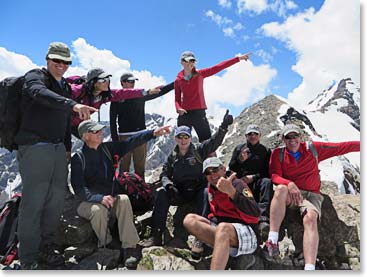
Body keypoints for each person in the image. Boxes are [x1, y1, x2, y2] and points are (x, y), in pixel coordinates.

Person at [14, 42, 97, 270]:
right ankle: (29, 258)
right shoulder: (35, 77)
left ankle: (48, 247)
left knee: (55, 200)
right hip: (35, 147)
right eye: (56, 61)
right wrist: (71, 104)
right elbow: (39, 94)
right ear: (47, 59)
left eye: (65, 62)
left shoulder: (65, 88)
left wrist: (67, 147)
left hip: (58, 149)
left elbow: (63, 122)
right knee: (33, 203)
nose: (61, 66)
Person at [70, 120, 170, 268]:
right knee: (98, 210)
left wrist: (153, 133)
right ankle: (108, 243)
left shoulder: (107, 149)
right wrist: (99, 198)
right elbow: (78, 188)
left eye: (100, 130)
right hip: (87, 202)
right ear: (85, 136)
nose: (101, 133)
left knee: (123, 199)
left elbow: (129, 143)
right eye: (96, 131)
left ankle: (129, 246)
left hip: (109, 198)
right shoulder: (78, 158)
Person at [265, 124, 360, 270]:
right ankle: (272, 239)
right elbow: (275, 175)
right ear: (283, 139)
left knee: (310, 219)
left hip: (311, 195)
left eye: (295, 136)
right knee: (281, 189)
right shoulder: (278, 154)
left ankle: (310, 267)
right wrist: (289, 183)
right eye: (288, 137)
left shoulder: (313, 149)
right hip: (291, 194)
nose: (292, 140)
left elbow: (341, 147)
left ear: (300, 137)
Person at [141, 110, 234, 255]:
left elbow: (213, 142)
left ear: (190, 138)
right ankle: (157, 234)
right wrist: (168, 185)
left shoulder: (199, 150)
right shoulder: (172, 156)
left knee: (206, 193)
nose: (183, 140)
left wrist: (223, 127)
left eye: (186, 137)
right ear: (176, 138)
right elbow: (165, 174)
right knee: (161, 194)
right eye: (180, 137)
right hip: (179, 192)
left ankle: (201, 238)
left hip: (198, 190)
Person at [183, 157, 260, 270]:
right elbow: (216, 213)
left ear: (223, 169)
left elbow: (255, 214)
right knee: (189, 220)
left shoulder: (237, 184)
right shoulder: (210, 189)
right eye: (208, 172)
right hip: (224, 232)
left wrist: (232, 193)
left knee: (223, 228)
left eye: (215, 170)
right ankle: (225, 253)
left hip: (247, 232)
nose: (212, 175)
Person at [174, 51, 250, 142]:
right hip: (184, 114)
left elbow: (219, 67)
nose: (191, 63)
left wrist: (238, 59)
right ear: (182, 62)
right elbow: (177, 99)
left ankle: (210, 157)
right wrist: (178, 108)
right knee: (181, 143)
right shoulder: (178, 80)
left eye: (193, 61)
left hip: (199, 113)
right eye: (189, 60)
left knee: (207, 144)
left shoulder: (200, 74)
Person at [109, 72, 174, 179]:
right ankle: (122, 190)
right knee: (123, 168)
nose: (133, 83)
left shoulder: (140, 95)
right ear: (122, 83)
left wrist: (177, 82)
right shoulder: (116, 99)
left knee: (140, 168)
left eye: (134, 81)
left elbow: (161, 91)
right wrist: (116, 142)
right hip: (124, 137)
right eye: (130, 81)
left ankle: (141, 192)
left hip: (141, 136)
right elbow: (112, 122)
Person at [68, 68, 162, 138]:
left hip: (77, 125)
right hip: (63, 122)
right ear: (93, 82)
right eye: (103, 80)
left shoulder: (105, 95)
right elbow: (59, 97)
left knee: (92, 142)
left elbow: (122, 93)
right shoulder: (77, 91)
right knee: (65, 149)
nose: (107, 82)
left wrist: (146, 91)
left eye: (108, 79)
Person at [228, 124, 272, 240]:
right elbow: (232, 167)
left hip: (257, 181)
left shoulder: (265, 151)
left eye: (255, 134)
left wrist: (253, 177)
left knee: (267, 182)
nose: (253, 136)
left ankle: (263, 219)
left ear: (260, 136)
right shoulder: (239, 148)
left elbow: (267, 171)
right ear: (246, 136)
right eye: (250, 134)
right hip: (241, 182)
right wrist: (240, 160)